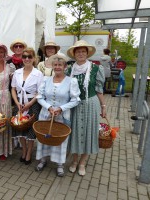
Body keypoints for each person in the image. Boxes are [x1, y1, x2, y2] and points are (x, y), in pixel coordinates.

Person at [35, 54, 80, 176]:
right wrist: (49, 107)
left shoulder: (71, 81)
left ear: (65, 66)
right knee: (44, 137)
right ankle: (43, 160)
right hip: (46, 114)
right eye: (55, 65)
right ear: (52, 66)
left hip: (62, 116)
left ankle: (60, 164)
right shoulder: (46, 80)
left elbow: (75, 100)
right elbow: (39, 97)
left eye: (60, 65)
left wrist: (61, 108)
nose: (57, 67)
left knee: (60, 139)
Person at [66, 40, 106, 176]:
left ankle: (83, 162)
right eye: (78, 51)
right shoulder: (70, 69)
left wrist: (103, 106)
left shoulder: (95, 68)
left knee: (89, 132)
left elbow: (99, 90)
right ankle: (75, 161)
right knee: (75, 132)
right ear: (74, 54)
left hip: (91, 104)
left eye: (83, 51)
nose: (81, 54)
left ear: (87, 53)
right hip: (75, 106)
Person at [11, 47, 43, 165]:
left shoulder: (38, 74)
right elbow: (13, 89)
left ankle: (29, 152)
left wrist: (29, 103)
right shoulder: (17, 72)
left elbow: (40, 92)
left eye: (29, 56)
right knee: (19, 127)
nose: (27, 59)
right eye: (24, 56)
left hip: (32, 103)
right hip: (19, 103)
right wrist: (16, 102)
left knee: (29, 129)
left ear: (34, 58)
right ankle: (23, 150)